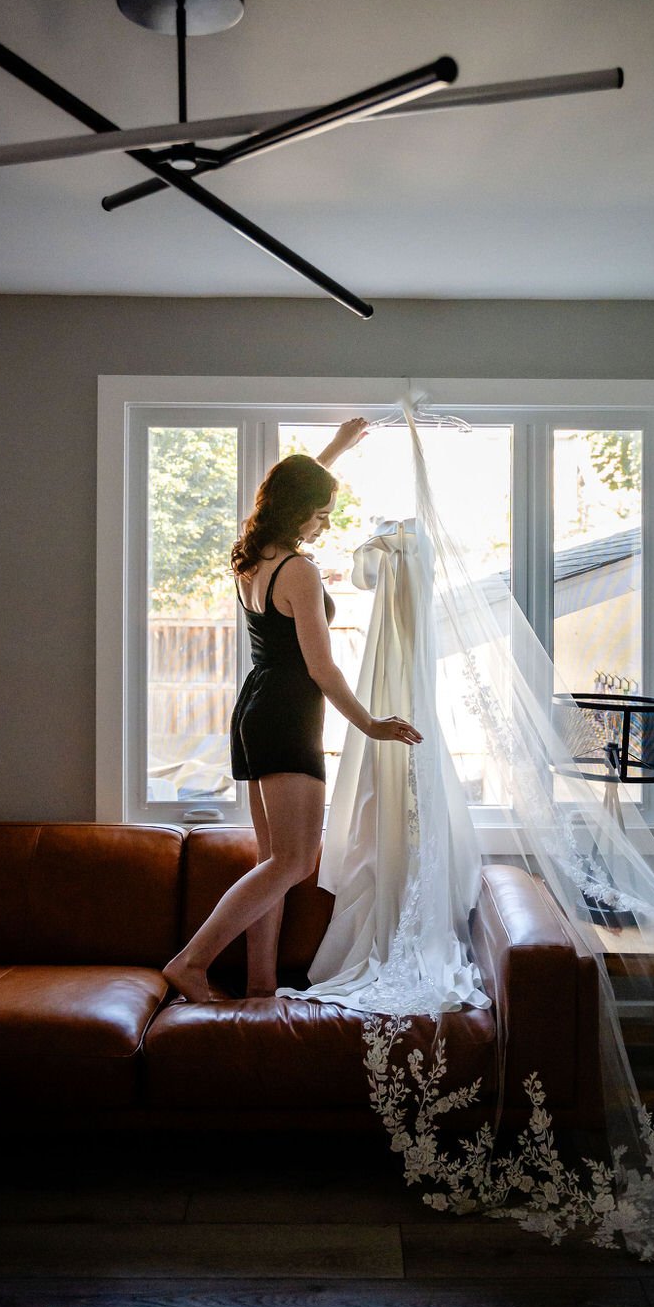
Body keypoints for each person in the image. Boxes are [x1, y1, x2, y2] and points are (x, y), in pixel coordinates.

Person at [162, 418, 422, 1003]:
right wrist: (372, 726)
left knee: (273, 861)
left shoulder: (253, 562)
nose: (325, 522)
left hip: (254, 707)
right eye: (321, 512)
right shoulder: (298, 571)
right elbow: (322, 668)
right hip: (286, 713)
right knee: (296, 862)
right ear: (296, 508)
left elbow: (283, 485)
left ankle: (259, 986)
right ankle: (190, 963)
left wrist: (333, 450)